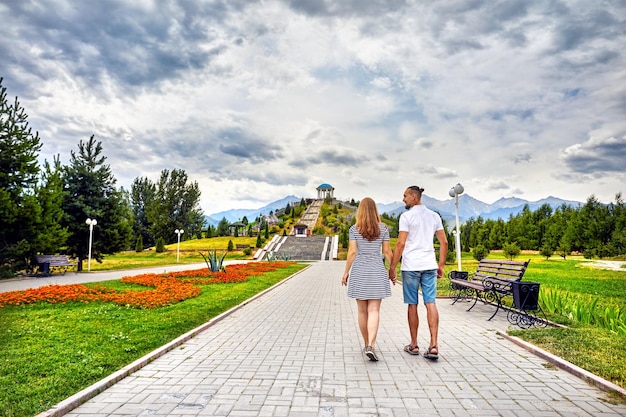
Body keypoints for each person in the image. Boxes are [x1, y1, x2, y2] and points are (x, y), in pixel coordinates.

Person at [388, 186, 448, 360]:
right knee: (431, 302)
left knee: (412, 304)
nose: (403, 199)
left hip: (411, 266)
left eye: (405, 196)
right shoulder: (434, 216)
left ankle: (414, 345)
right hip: (429, 265)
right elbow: (444, 242)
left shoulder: (406, 217)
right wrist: (441, 265)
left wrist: (392, 267)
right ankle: (434, 345)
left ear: (414, 197)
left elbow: (400, 244)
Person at [342, 197, 395, 361]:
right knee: (374, 310)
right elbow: (387, 252)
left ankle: (366, 343)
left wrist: (345, 272)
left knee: (362, 311)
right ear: (375, 211)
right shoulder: (383, 229)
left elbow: (352, 252)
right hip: (377, 271)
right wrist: (392, 270)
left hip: (359, 271)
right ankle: (371, 344)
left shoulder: (354, 229)